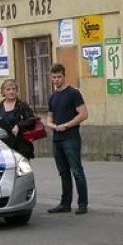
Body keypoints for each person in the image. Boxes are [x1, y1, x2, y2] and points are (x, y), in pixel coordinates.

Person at [46, 63, 89, 215]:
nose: (56, 80)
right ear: (51, 78)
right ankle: (65, 204)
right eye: (54, 77)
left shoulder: (73, 93)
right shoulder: (52, 96)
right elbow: (50, 116)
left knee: (76, 171)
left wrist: (66, 125)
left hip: (70, 137)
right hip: (57, 138)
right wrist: (51, 125)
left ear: (64, 76)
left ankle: (82, 203)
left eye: (59, 77)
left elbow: (83, 114)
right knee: (63, 172)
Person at [0, 78, 37, 159]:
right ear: (3, 92)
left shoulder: (22, 105)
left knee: (22, 170)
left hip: (21, 146)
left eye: (13, 89)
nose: (11, 92)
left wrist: (18, 126)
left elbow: (31, 120)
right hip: (4, 147)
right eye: (8, 89)